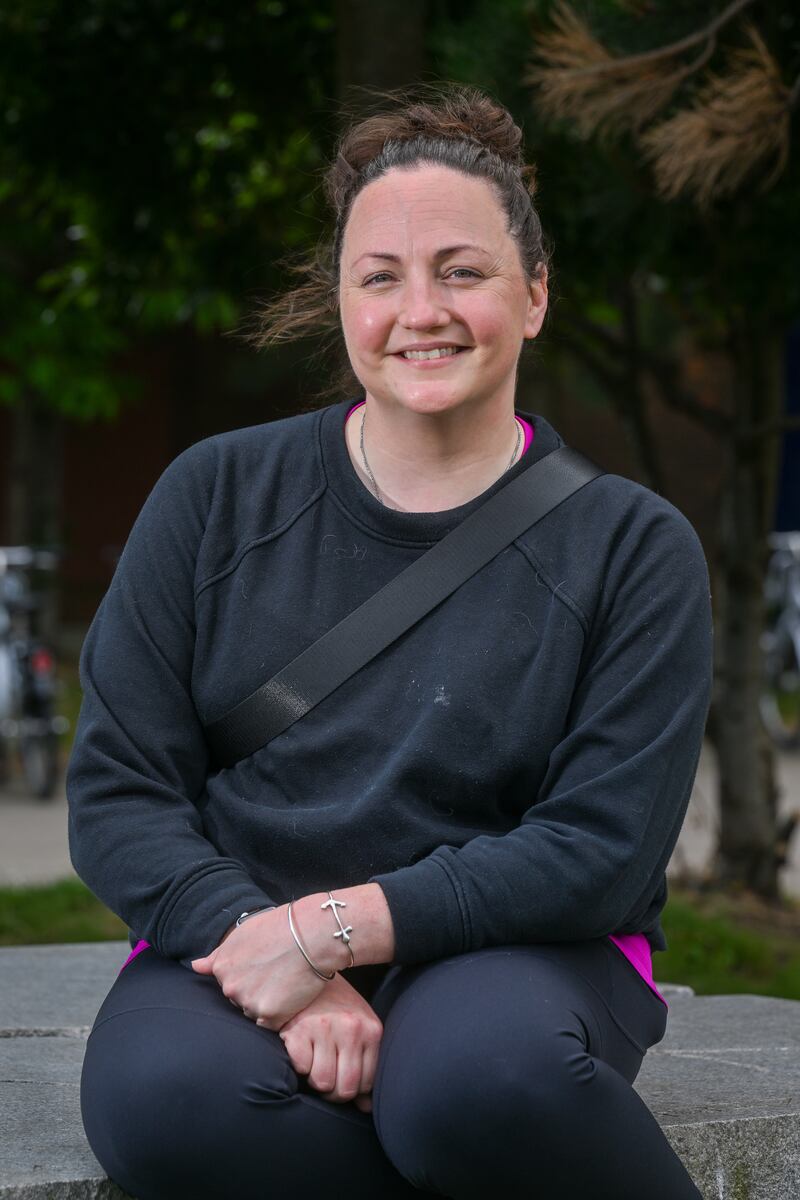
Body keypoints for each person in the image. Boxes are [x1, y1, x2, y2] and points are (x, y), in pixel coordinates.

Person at [67, 83, 711, 1199]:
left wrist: (329, 933)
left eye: (461, 271)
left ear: (535, 295)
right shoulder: (212, 495)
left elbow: (598, 850)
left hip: (521, 951)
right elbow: (119, 793)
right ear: (341, 300)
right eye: (380, 278)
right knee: (163, 1101)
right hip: (241, 933)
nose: (421, 310)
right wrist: (275, 953)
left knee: (471, 1087)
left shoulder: (632, 546)